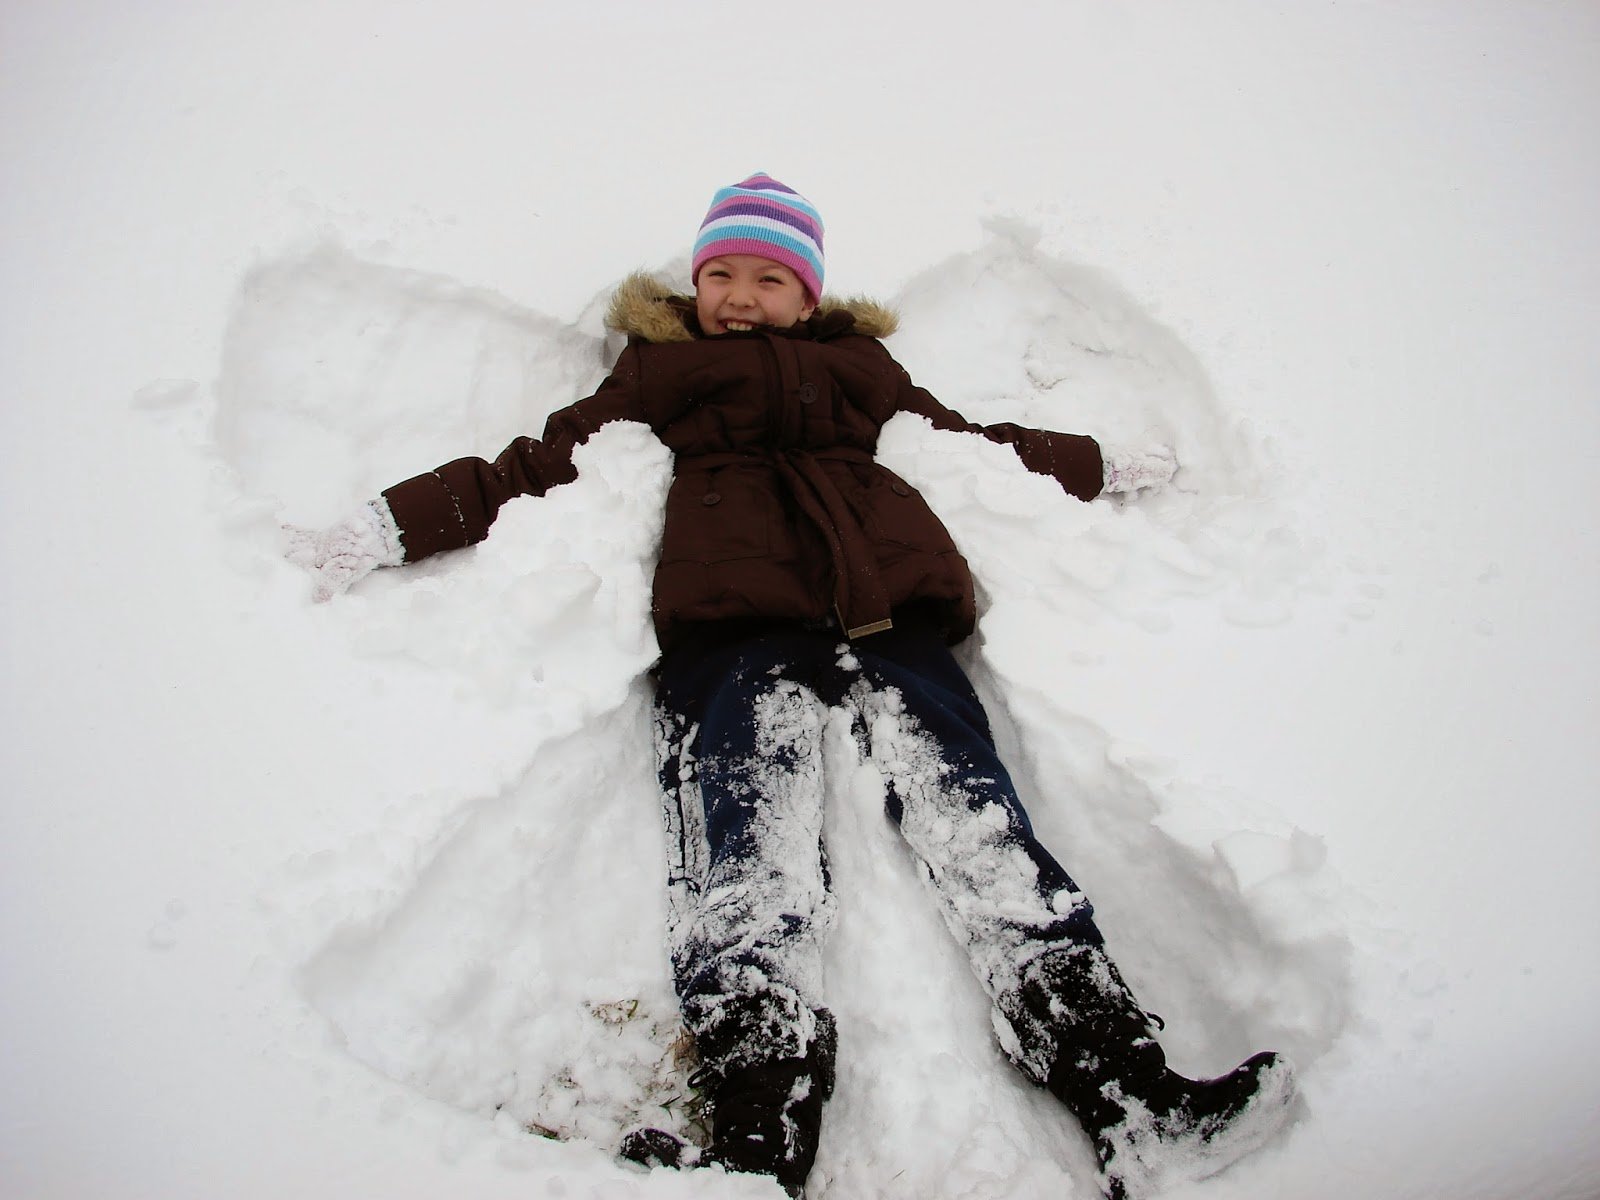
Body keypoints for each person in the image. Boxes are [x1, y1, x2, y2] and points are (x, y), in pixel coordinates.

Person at [286, 174, 1296, 1199]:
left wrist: (1095, 465)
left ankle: (1123, 1082)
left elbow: (970, 446)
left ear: (808, 296)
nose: (739, 295)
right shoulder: (661, 372)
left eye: (768, 279)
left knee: (977, 822)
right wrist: (388, 525)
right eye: (720, 273)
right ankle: (756, 1123)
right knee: (747, 850)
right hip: (733, 637)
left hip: (888, 624)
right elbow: (532, 467)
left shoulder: (861, 369)